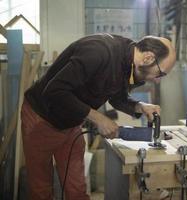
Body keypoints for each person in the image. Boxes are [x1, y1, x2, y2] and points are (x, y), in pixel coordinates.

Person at [21, 33, 176, 200]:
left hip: (71, 122)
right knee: (41, 189)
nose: (158, 81)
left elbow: (116, 97)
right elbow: (55, 91)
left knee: (76, 188)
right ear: (148, 58)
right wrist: (98, 117)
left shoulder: (128, 63)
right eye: (161, 73)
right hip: (41, 118)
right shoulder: (98, 52)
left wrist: (140, 106)